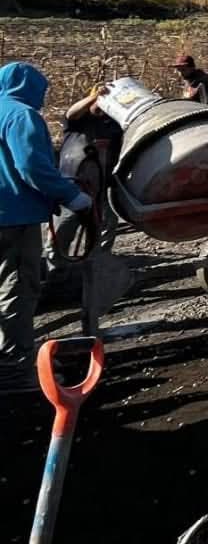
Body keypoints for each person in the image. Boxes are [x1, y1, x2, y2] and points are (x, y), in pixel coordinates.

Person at [0, 63, 94, 393]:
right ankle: (14, 371)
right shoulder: (21, 116)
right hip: (12, 217)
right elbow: (32, 167)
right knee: (17, 288)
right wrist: (74, 197)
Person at [45, 84, 124, 279]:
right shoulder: (78, 121)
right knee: (61, 234)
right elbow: (71, 113)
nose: (101, 105)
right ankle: (55, 275)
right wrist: (94, 97)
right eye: (98, 101)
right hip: (73, 186)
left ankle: (95, 275)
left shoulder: (114, 125)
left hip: (104, 188)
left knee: (101, 234)